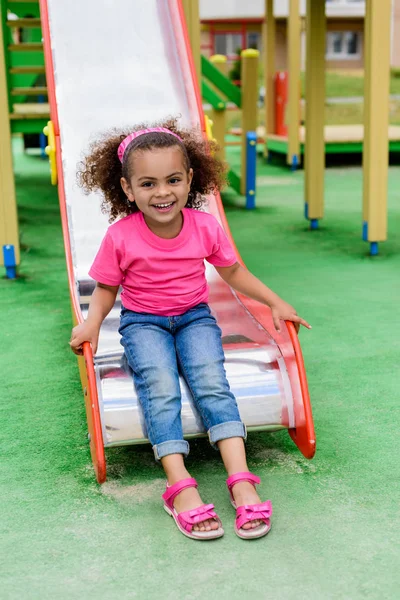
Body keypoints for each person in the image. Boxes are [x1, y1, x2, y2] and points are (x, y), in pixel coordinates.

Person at [70, 117, 311, 541]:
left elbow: (233, 272)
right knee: (160, 385)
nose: (162, 192)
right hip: (144, 324)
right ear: (127, 189)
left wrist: (275, 300)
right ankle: (179, 485)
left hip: (194, 318)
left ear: (190, 180)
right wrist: (92, 324)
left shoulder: (204, 226)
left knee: (211, 381)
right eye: (147, 184)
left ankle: (240, 479)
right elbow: (106, 288)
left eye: (173, 180)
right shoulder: (121, 236)